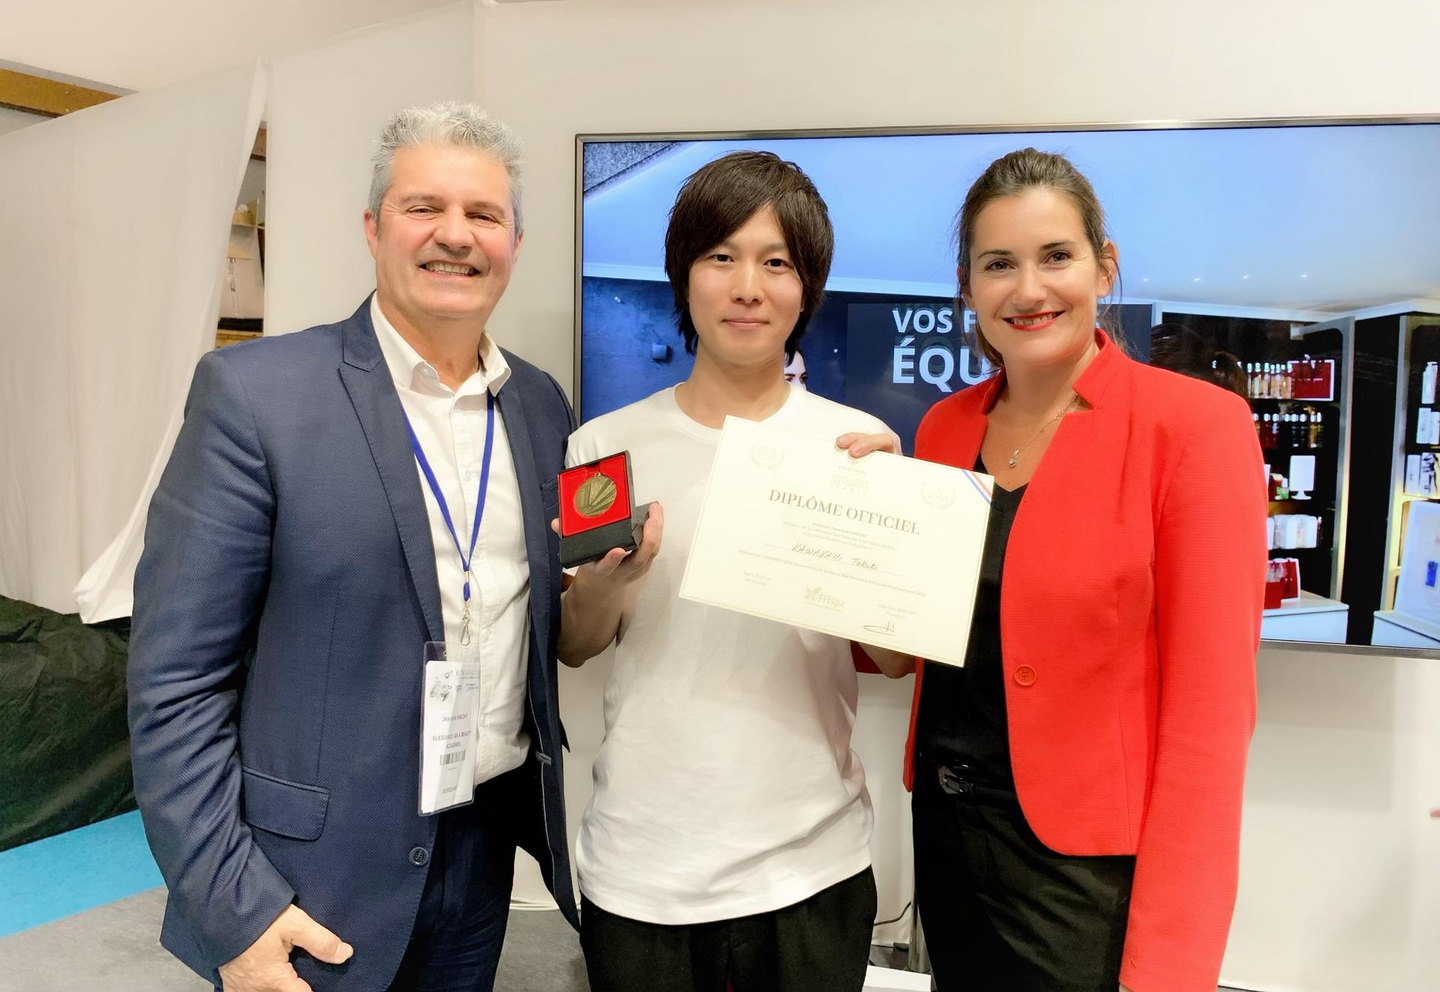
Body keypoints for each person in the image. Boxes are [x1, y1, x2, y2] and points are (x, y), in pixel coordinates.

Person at [127, 102, 577, 992]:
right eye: (424, 207)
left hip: (481, 845)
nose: (456, 235)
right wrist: (234, 909)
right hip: (308, 876)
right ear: (373, 229)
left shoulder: (539, 406)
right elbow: (175, 680)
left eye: (484, 214)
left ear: (516, 243)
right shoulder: (256, 395)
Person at [852, 148, 1266, 992]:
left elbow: (1211, 721)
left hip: (1084, 879)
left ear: (1103, 267)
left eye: (1055, 257)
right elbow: (916, 644)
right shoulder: (943, 429)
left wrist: (1171, 967)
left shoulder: (1194, 428)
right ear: (967, 287)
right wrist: (858, 526)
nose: (1029, 289)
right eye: (998, 264)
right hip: (948, 839)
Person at [558, 151, 891, 992]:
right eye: (721, 257)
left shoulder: (855, 448)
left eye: (777, 263)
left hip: (812, 861)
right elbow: (576, 645)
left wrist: (888, 533)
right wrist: (607, 587)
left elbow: (893, 658)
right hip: (643, 863)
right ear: (684, 276)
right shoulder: (604, 448)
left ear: (807, 289)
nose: (748, 287)